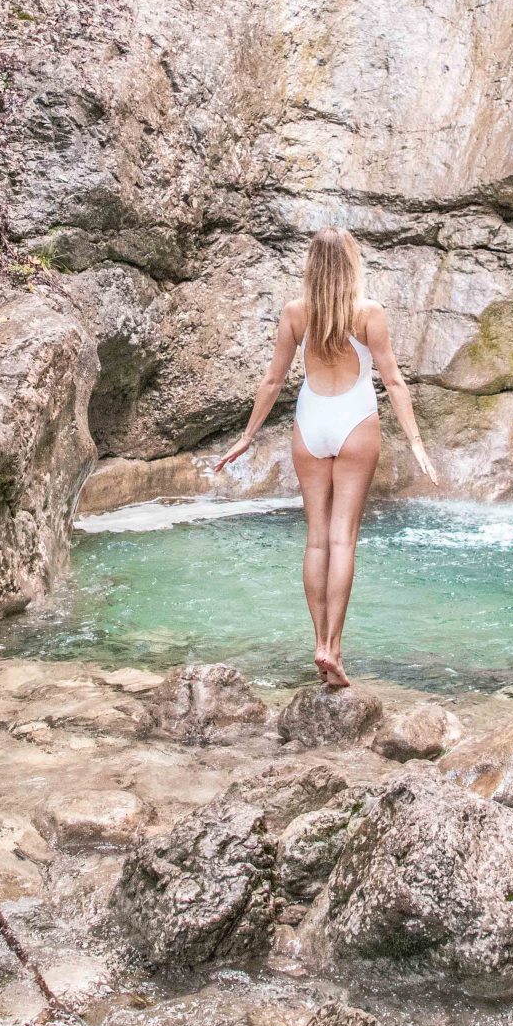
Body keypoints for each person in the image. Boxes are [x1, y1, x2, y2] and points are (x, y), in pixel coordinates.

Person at [211, 227, 437, 688]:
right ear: (352, 263)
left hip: (311, 423)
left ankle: (317, 642)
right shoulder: (368, 313)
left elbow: (273, 381)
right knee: (342, 540)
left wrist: (247, 437)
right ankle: (334, 648)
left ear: (311, 265)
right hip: (356, 422)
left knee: (315, 539)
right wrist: (416, 441)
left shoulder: (296, 313)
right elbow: (393, 381)